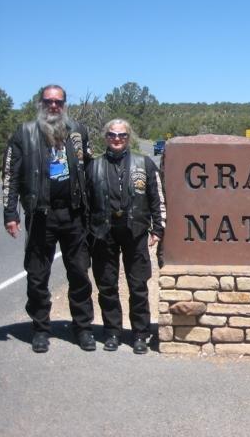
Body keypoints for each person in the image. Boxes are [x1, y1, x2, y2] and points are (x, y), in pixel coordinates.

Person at [2, 84, 96, 353]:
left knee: (79, 273)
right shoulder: (24, 133)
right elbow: (11, 175)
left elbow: (89, 170)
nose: (53, 106)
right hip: (41, 214)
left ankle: (83, 327)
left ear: (64, 104)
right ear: (40, 103)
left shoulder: (78, 131)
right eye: (48, 101)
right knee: (37, 275)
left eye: (58, 102)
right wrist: (11, 213)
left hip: (74, 213)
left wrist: (96, 209)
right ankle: (41, 328)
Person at [86, 119, 165, 354]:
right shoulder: (93, 166)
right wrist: (87, 231)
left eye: (122, 135)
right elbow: (85, 203)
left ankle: (140, 334)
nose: (117, 139)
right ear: (106, 137)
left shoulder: (144, 163)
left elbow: (156, 197)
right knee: (107, 285)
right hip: (103, 233)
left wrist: (158, 228)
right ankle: (112, 331)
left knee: (138, 285)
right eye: (112, 134)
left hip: (136, 231)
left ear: (128, 137)